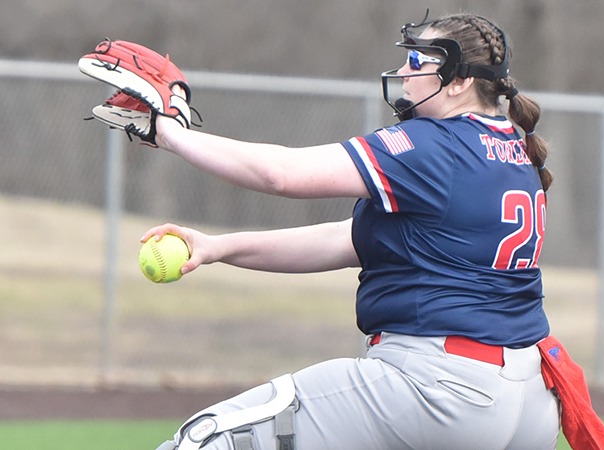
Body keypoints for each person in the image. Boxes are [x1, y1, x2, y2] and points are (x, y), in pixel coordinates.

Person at [150, 12, 561, 450]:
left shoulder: (433, 144)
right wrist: (217, 247)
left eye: (418, 61)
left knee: (203, 440)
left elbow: (281, 174)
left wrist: (169, 132)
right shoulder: (515, 149)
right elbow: (346, 241)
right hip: (529, 399)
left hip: (438, 388)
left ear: (459, 81)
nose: (404, 71)